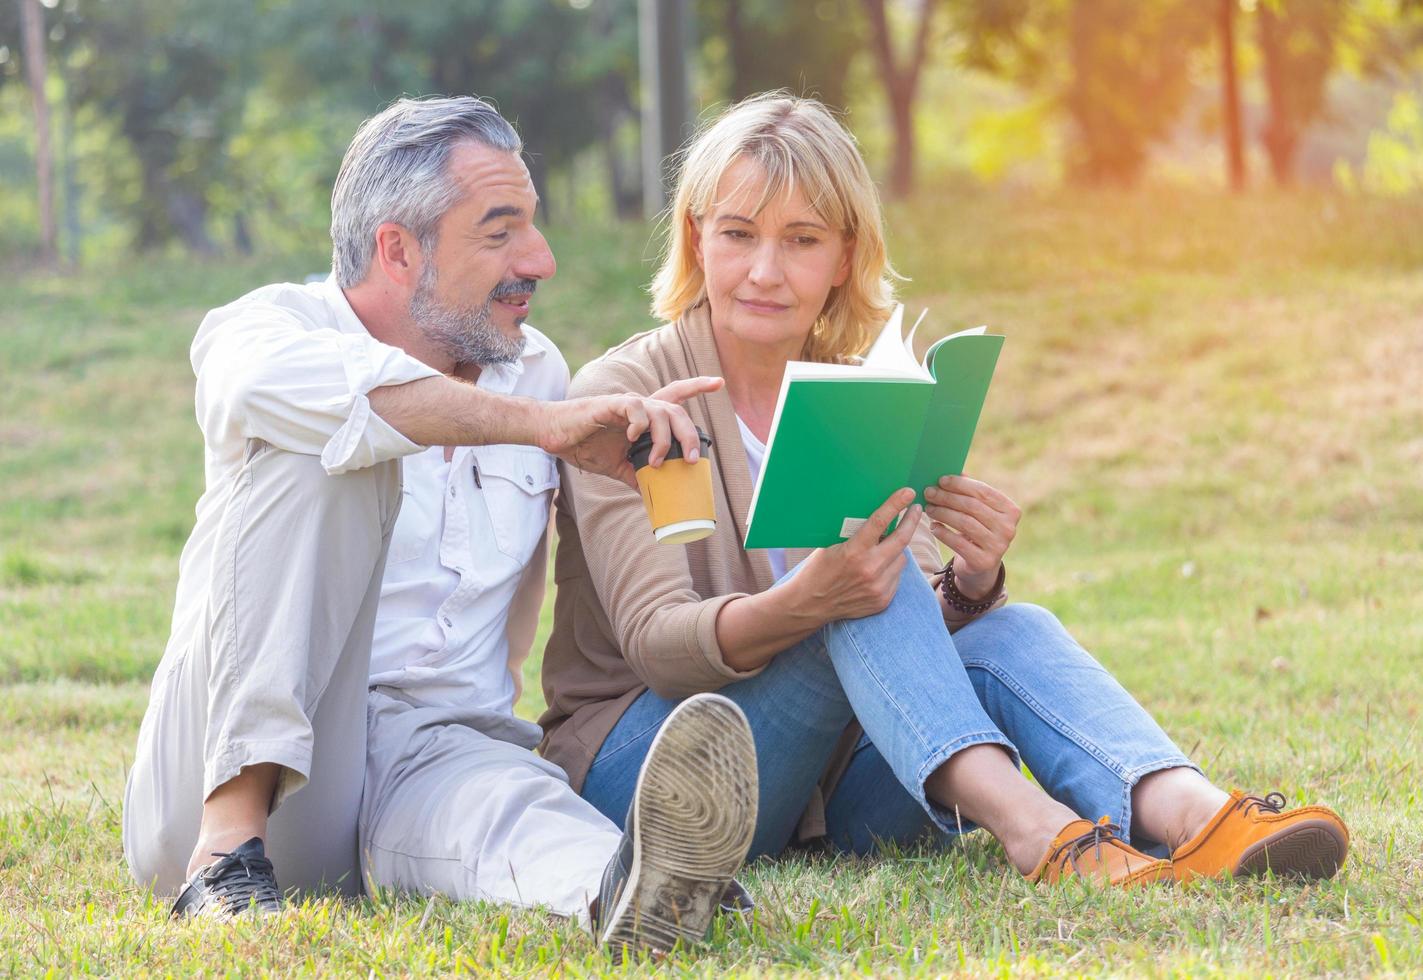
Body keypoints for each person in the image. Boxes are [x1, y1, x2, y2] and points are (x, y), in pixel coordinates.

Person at [539, 92, 1350, 887]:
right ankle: (1038, 833)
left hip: (822, 790)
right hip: (655, 776)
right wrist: (812, 599)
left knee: (1004, 626)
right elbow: (657, 647)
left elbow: (912, 640)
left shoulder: (857, 397)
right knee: (859, 586)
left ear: (843, 257)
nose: (764, 270)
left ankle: (1192, 816)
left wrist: (967, 585)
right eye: (737, 235)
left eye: (801, 240)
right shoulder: (624, 393)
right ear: (697, 239)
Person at [122, 96, 759, 955]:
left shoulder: (534, 370)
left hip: (437, 750)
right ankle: (223, 857)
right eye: (499, 234)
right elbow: (342, 400)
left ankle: (643, 883)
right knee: (323, 456)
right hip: (250, 765)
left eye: (531, 226)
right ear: (397, 249)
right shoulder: (263, 332)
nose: (540, 259)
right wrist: (540, 431)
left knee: (517, 809)